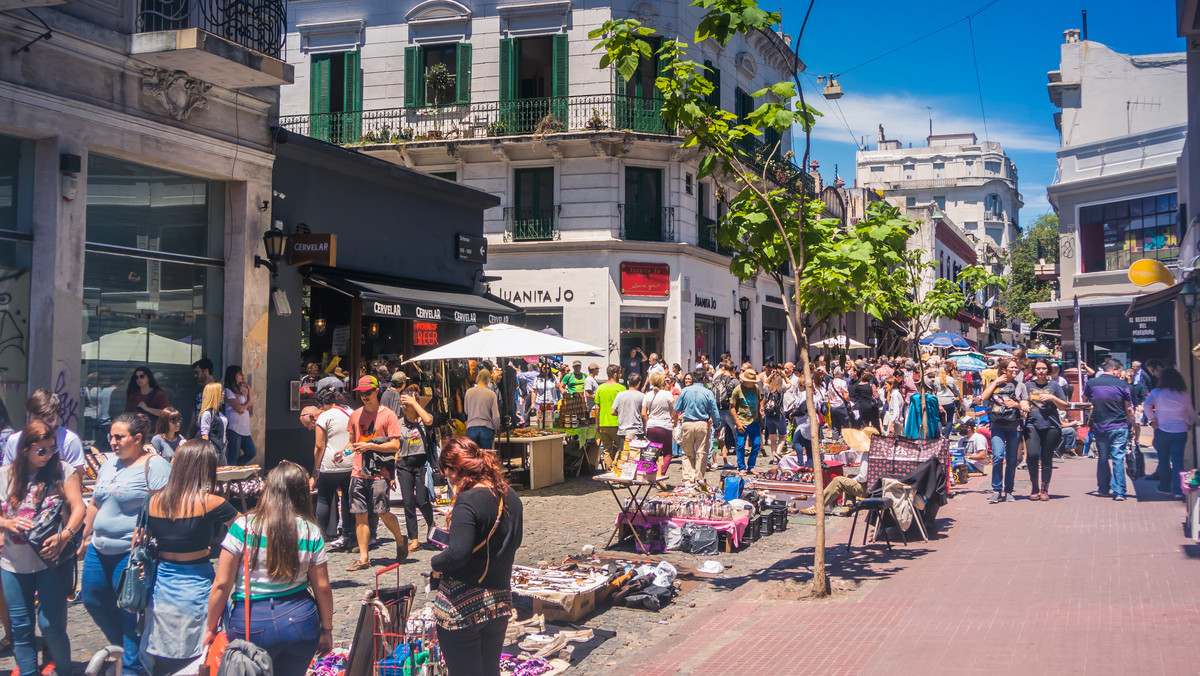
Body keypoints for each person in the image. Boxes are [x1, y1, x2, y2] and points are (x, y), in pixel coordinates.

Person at [204, 462, 334, 675]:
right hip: (300, 621)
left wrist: (210, 629)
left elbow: (221, 585)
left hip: (251, 622)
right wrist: (326, 629)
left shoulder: (243, 528)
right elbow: (322, 587)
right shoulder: (311, 531)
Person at [80, 413, 172, 676]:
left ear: (138, 438)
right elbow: (96, 503)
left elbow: (168, 506)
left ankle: (132, 667)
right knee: (92, 597)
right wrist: (82, 535)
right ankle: (121, 649)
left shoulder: (154, 466)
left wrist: (148, 528)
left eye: (119, 437)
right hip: (98, 549)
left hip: (129, 554)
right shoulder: (109, 464)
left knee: (129, 609)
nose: (112, 441)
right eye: (111, 436)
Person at [141, 440, 238, 675]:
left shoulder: (151, 501)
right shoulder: (212, 503)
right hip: (197, 586)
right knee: (200, 658)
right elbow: (247, 532)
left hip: (161, 588)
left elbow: (140, 541)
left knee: (163, 659)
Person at [431, 438, 523, 676]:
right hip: (499, 601)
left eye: (447, 473)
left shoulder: (468, 500)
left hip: (463, 608)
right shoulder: (509, 495)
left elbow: (458, 554)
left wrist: (435, 563)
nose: (448, 479)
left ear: (455, 469)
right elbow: (513, 541)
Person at [0, 421, 84, 676]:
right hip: (13, 562)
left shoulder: (62, 470)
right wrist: (7, 522)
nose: (48, 455)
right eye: (41, 450)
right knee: (20, 627)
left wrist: (66, 535)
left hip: (51, 560)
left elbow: (79, 506)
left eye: (52, 449)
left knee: (51, 625)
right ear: (25, 449)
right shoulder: (5, 475)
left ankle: (65, 670)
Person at [346, 376, 410, 570]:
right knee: (360, 514)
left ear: (376, 391)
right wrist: (343, 452)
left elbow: (395, 445)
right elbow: (351, 442)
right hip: (358, 471)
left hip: (380, 472)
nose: (364, 396)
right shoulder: (355, 415)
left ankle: (400, 539)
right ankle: (364, 558)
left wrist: (370, 445)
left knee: (382, 511)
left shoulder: (389, 415)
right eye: (361, 393)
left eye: (368, 392)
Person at [394, 384, 438, 552]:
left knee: (422, 500)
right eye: (402, 404)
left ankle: (431, 524)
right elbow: (395, 448)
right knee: (408, 502)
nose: (404, 408)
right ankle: (414, 539)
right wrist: (392, 472)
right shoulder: (398, 423)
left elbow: (428, 420)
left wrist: (414, 402)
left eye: (407, 404)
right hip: (404, 465)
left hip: (421, 464)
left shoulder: (424, 420)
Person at [1085, 359, 1136, 501]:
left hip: (1100, 426)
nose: (1120, 374)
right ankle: (1119, 491)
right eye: (1120, 371)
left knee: (1102, 458)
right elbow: (1129, 409)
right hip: (1119, 425)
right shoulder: (1122, 384)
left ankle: (1103, 488)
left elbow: (1086, 398)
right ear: (1114, 369)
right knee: (1118, 458)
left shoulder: (1091, 383)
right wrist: (1135, 426)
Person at [2, 391, 85, 473]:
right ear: (28, 413)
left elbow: (77, 478)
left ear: (57, 416)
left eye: (50, 420)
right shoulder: (14, 440)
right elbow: (7, 477)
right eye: (37, 419)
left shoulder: (70, 441)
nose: (44, 425)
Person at [1022, 359, 1070, 500]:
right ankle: (1034, 486)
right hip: (1032, 424)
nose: (1041, 371)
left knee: (1047, 456)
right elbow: (1023, 400)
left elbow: (1064, 406)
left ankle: (1044, 489)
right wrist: (1023, 405)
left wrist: (1052, 397)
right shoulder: (1027, 385)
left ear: (1048, 370)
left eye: (1043, 368)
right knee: (1032, 454)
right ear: (1034, 370)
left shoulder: (1054, 386)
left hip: (1051, 425)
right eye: (1038, 368)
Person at [1144, 367, 1196, 498]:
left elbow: (1146, 405)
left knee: (1163, 459)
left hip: (1162, 429)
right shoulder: (1183, 394)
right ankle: (1178, 490)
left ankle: (1165, 487)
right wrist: (1189, 422)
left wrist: (1153, 419)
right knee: (1178, 460)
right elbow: (1190, 413)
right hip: (1180, 430)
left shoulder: (1157, 392)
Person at [311, 387, 353, 549]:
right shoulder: (351, 411)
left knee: (324, 499)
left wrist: (317, 465)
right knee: (348, 500)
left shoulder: (325, 416)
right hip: (350, 461)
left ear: (323, 404)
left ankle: (318, 537)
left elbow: (319, 445)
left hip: (330, 463)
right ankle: (348, 535)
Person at [981, 359, 1025, 503]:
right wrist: (995, 382)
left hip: (1014, 425)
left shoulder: (1020, 386)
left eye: (1016, 367)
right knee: (998, 456)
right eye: (1012, 367)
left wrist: (1016, 404)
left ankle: (1009, 491)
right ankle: (996, 489)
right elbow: (983, 398)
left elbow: (1026, 405)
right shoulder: (995, 384)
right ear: (1004, 369)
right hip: (997, 425)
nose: (1015, 369)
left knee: (1012, 460)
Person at [672, 368, 720, 487]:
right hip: (702, 424)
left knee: (687, 453)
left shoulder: (685, 391)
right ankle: (698, 478)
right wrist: (717, 425)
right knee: (701, 453)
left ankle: (688, 480)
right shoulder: (708, 392)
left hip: (687, 423)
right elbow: (714, 411)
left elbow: (676, 408)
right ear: (704, 378)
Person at [801, 454, 869, 515]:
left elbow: (863, 477)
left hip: (868, 489)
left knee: (838, 481)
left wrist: (853, 479)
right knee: (848, 480)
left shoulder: (867, 454)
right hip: (877, 489)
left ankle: (818, 506)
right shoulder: (877, 452)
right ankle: (851, 506)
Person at [641, 373, 675, 477]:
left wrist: (649, 420)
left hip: (652, 426)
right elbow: (673, 410)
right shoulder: (667, 394)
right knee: (667, 453)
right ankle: (661, 473)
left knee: (653, 453)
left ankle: (650, 473)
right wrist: (675, 421)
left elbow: (643, 413)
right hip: (665, 426)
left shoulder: (647, 395)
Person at [730, 369, 763, 474]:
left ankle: (751, 465)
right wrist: (737, 423)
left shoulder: (756, 388)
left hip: (754, 421)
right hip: (742, 421)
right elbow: (732, 407)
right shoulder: (737, 390)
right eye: (751, 381)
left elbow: (758, 402)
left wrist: (760, 417)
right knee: (740, 446)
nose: (753, 383)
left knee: (757, 444)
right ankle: (741, 467)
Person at [223, 365, 256, 465]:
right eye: (240, 373)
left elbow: (247, 406)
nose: (242, 375)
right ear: (234, 375)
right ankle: (231, 479)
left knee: (251, 452)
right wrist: (245, 404)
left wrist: (249, 390)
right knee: (234, 455)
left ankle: (237, 470)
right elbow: (239, 408)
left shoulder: (240, 391)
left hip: (244, 429)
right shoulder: (228, 391)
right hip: (234, 428)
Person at [593, 366, 625, 471]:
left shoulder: (600, 388)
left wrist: (597, 424)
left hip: (603, 423)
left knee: (606, 450)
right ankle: (615, 467)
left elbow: (597, 408)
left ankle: (609, 471)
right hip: (617, 423)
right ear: (615, 374)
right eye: (619, 373)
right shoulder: (620, 388)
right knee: (619, 448)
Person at [710, 360, 738, 469]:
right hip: (730, 410)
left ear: (723, 369)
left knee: (717, 437)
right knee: (737, 435)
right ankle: (740, 462)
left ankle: (715, 461)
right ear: (733, 370)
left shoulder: (716, 380)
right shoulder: (734, 381)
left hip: (717, 410)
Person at [464, 369, 500, 450]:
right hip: (487, 428)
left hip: (471, 427)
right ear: (488, 379)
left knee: (473, 456)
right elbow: (496, 416)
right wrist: (496, 427)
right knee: (485, 456)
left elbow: (466, 411)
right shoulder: (491, 394)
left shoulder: (468, 392)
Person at [762, 373, 788, 463]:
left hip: (769, 416)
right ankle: (778, 452)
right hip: (779, 415)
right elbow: (790, 384)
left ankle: (774, 458)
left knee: (772, 438)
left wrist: (771, 375)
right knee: (783, 436)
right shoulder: (782, 389)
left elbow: (765, 382)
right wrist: (784, 376)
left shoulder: (767, 389)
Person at [188, 358, 216, 438]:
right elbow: (196, 410)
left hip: (211, 433)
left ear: (206, 371)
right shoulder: (199, 390)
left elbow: (217, 413)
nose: (195, 376)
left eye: (197, 372)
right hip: (197, 430)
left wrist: (203, 431)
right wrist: (189, 432)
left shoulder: (217, 389)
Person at [613, 374, 645, 441]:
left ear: (628, 382)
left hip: (623, 431)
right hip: (637, 430)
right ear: (639, 383)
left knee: (623, 450)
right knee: (636, 451)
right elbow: (643, 413)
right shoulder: (642, 396)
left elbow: (612, 411)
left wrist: (621, 414)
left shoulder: (619, 395)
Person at [934, 368, 962, 439]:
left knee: (938, 419)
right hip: (949, 401)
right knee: (949, 419)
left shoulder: (936, 380)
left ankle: (939, 434)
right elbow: (956, 390)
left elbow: (935, 390)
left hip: (940, 402)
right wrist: (960, 397)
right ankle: (946, 436)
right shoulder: (951, 379)